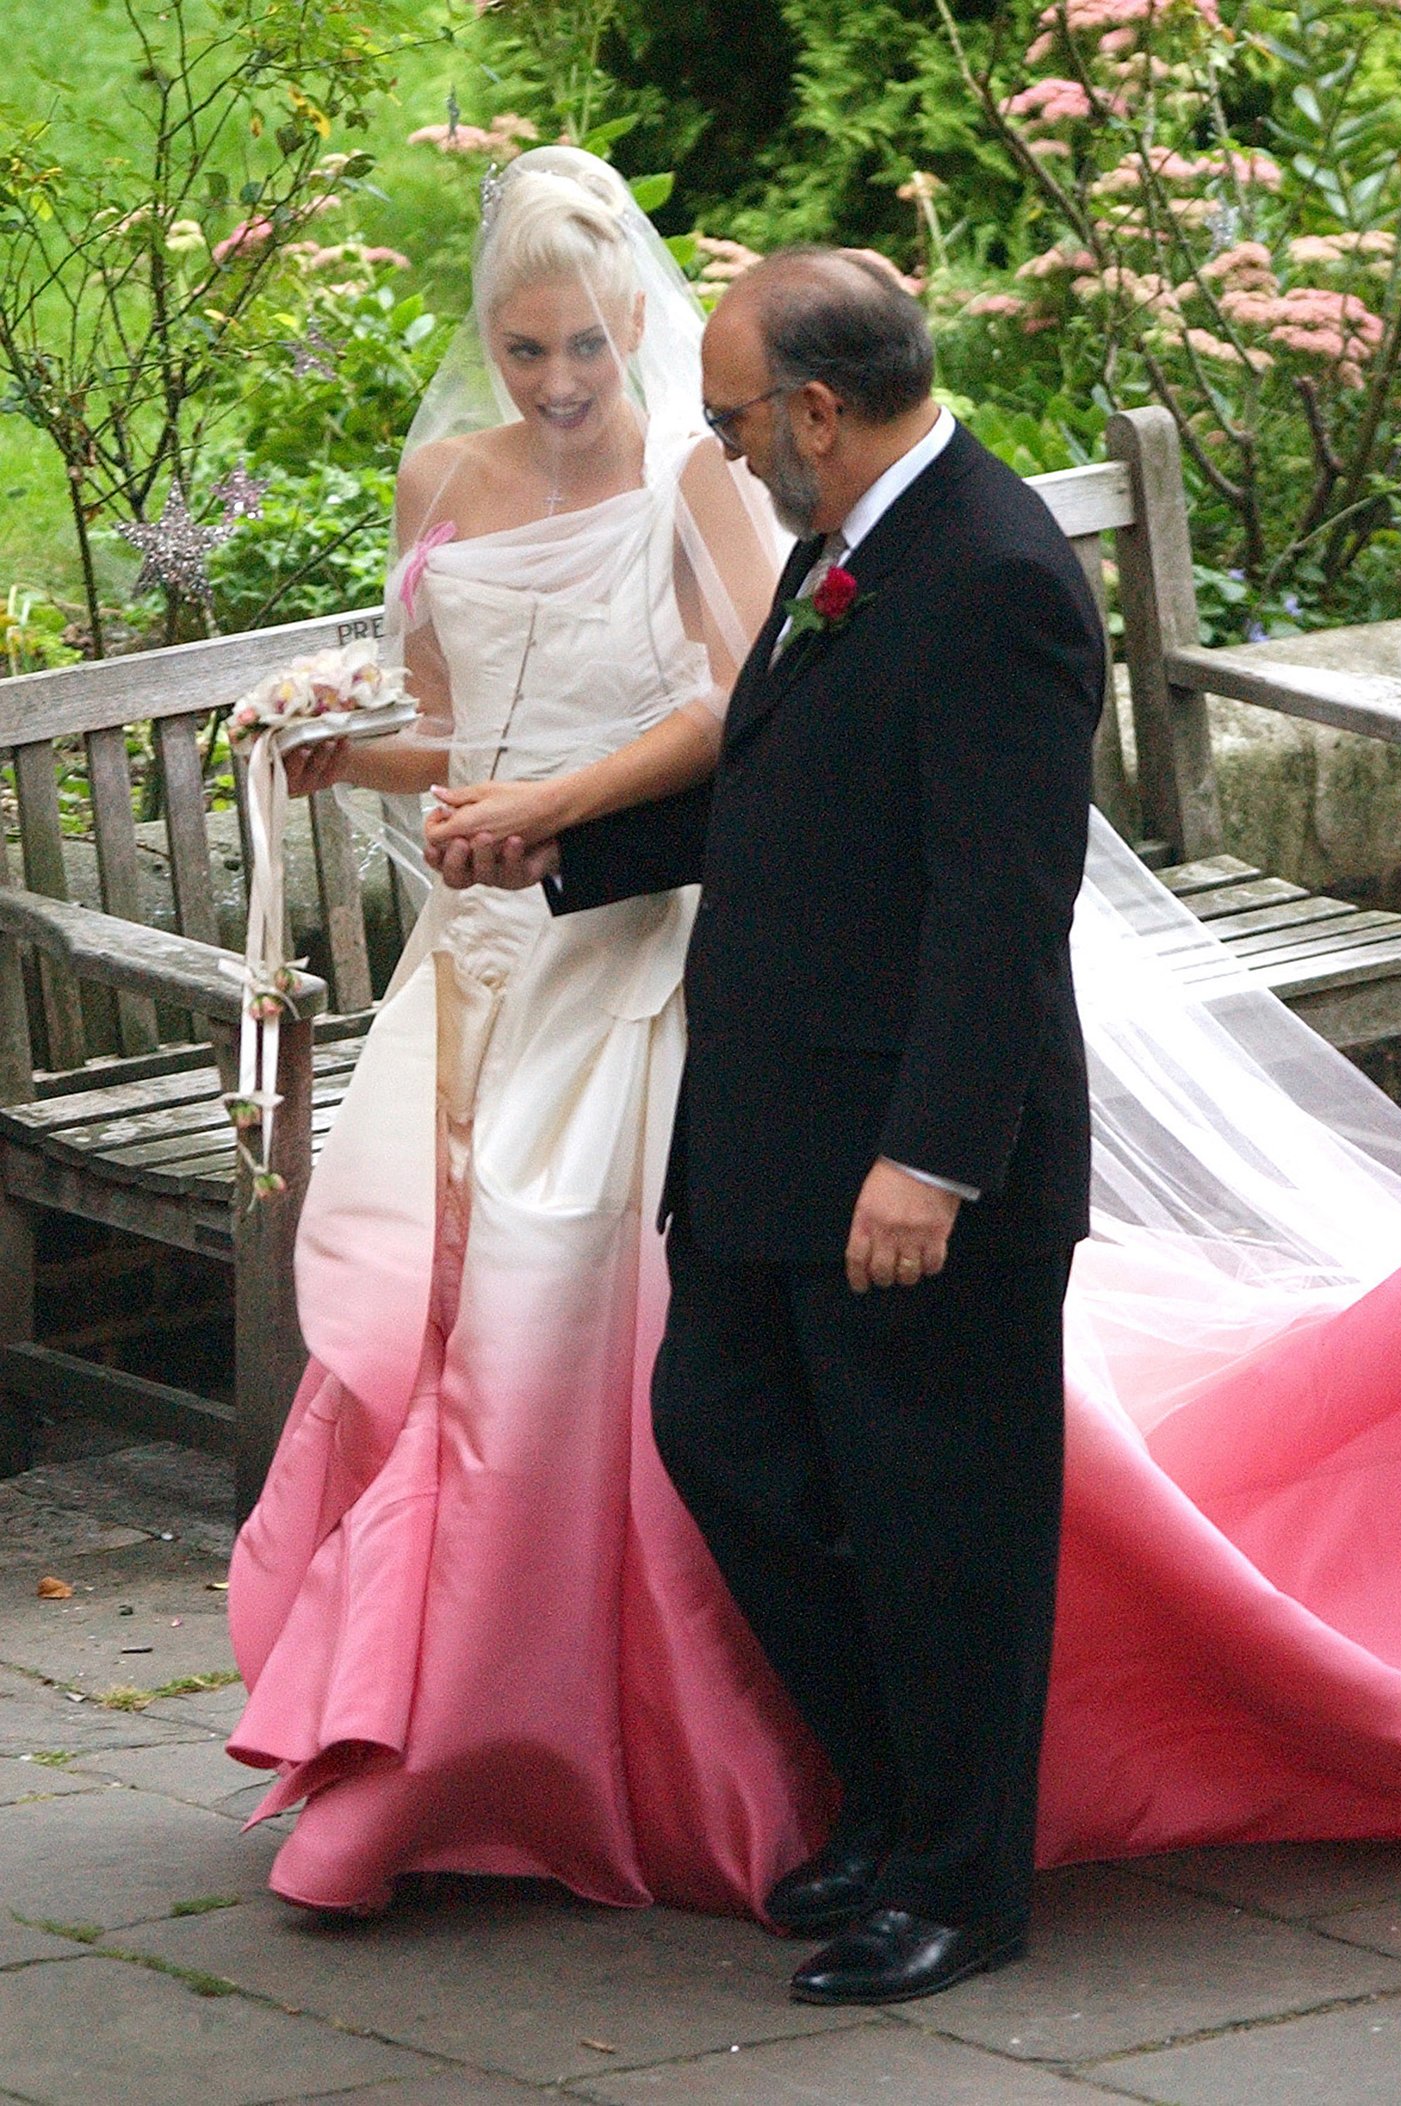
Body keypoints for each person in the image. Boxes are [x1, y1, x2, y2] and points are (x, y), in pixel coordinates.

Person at [434, 246, 1401, 2007]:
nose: (724, 451)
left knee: (945, 1525)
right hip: (770, 1132)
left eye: (733, 420)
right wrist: (567, 847)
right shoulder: (842, 551)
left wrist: (928, 1163)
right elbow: (784, 789)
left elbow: (997, 908)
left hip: (917, 1163)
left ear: (820, 410)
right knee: (730, 1441)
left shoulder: (998, 575)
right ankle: (893, 1795)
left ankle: (959, 1881)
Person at [226, 147, 838, 1917]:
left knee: (557, 1333)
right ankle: (402, 1723)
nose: (561, 384)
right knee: (415, 1328)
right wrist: (339, 749)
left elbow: (741, 709)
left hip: (626, 935)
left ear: (636, 319)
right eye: (524, 351)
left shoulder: (692, 479)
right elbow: (449, 721)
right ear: (484, 335)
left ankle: (573, 1734)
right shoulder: (441, 473)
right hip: (470, 949)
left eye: (585, 345)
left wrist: (552, 807)